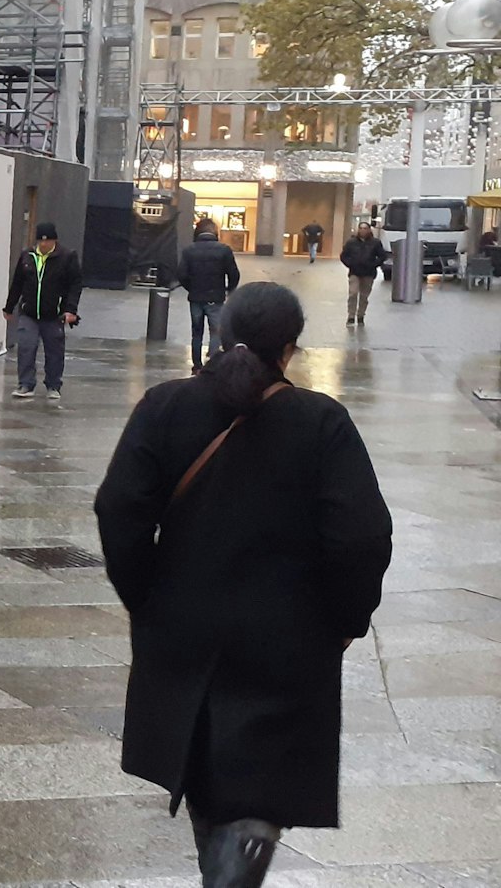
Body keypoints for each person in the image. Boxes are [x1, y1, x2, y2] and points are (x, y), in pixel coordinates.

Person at [94, 283, 391, 888]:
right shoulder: (321, 422)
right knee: (261, 770)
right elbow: (362, 537)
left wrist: (146, 599)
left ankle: (227, 855)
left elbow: (118, 509)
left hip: (184, 628)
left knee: (201, 761)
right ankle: (242, 843)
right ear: (290, 349)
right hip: (287, 634)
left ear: (223, 331)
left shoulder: (164, 406)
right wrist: (343, 621)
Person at [2, 222, 83, 401]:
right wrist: (9, 307)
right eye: (41, 241)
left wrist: (71, 310)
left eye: (48, 241)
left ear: (55, 240)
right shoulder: (27, 256)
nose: (44, 245)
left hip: (54, 314)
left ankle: (53, 385)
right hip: (29, 312)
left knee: (54, 351)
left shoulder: (67, 257)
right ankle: (25, 384)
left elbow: (75, 285)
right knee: (26, 347)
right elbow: (17, 284)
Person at [178, 219, 241, 373]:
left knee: (196, 332)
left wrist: (191, 288)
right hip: (216, 297)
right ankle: (212, 364)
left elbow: (181, 274)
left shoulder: (189, 250)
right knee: (215, 331)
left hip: (195, 298)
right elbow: (234, 273)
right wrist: (229, 289)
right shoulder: (224, 250)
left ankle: (197, 365)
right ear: (215, 232)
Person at [338, 222, 389, 327]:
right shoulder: (351, 242)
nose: (363, 230)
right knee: (353, 293)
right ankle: (351, 316)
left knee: (364, 296)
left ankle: (361, 315)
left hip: (368, 273)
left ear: (369, 230)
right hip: (354, 272)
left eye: (365, 228)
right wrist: (350, 264)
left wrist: (373, 265)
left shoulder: (375, 243)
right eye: (361, 228)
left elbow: (382, 256)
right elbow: (344, 256)